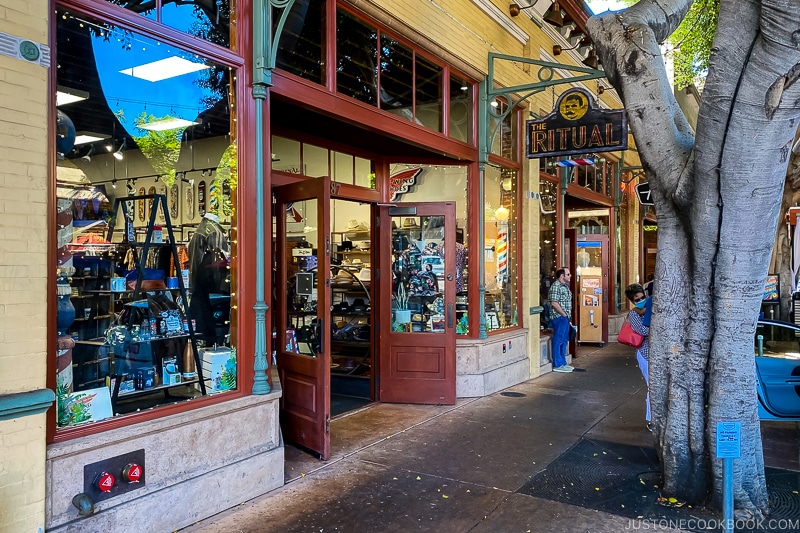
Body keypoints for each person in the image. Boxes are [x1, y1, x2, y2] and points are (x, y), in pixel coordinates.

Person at [625, 283, 651, 428]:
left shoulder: (651, 308)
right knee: (651, 387)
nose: (641, 300)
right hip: (645, 353)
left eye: (643, 297)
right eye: (637, 299)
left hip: (656, 354)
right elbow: (641, 330)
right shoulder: (634, 314)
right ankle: (650, 419)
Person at [548, 267, 574, 373]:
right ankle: (557, 364)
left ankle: (563, 362)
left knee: (564, 340)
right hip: (559, 317)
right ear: (562, 276)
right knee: (558, 340)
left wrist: (568, 318)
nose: (570, 275)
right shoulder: (556, 286)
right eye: (568, 274)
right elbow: (554, 303)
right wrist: (563, 315)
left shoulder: (565, 287)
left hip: (565, 317)